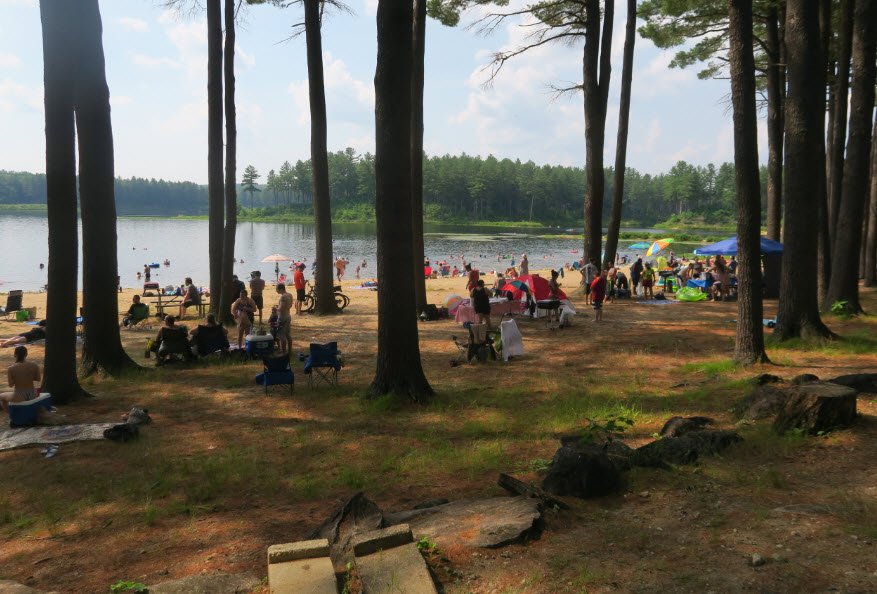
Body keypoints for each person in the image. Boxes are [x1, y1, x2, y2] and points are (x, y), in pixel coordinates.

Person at [0, 346, 41, 414]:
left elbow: (10, 385)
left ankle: (11, 415)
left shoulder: (11, 368)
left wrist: (18, 379)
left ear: (15, 355)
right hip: (33, 394)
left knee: (1, 396)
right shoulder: (34, 365)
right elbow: (38, 379)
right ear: (26, 354)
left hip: (19, 396)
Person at [275, 282, 293, 355]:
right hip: (288, 315)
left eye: (277, 289)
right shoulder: (289, 295)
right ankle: (289, 351)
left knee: (281, 335)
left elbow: (281, 308)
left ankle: (284, 352)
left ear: (280, 289)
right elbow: (290, 305)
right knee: (288, 334)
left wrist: (276, 308)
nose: (276, 291)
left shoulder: (283, 297)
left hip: (282, 317)